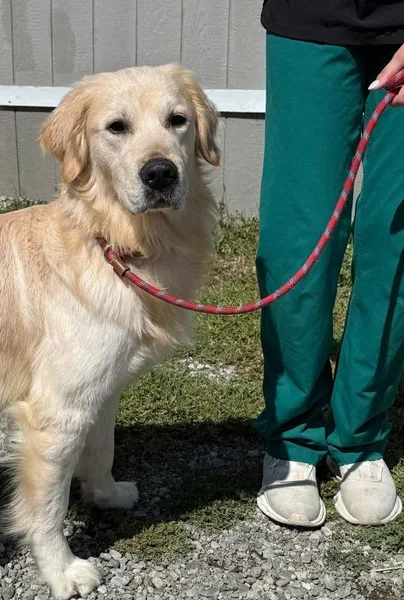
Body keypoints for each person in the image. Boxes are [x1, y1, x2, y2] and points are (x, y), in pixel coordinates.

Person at [255, 1, 404, 527]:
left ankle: (361, 438)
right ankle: (293, 432)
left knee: (396, 244)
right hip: (313, 16)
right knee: (299, 232)